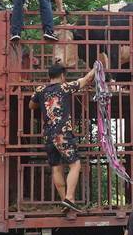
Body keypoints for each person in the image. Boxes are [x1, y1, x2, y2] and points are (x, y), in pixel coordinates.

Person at [30, 53, 107, 212]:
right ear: (63, 76)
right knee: (75, 164)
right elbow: (85, 80)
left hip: (48, 135)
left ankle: (64, 200)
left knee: (56, 167)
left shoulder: (40, 89)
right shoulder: (65, 87)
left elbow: (31, 106)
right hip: (62, 133)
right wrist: (95, 68)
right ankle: (70, 198)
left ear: (49, 76)